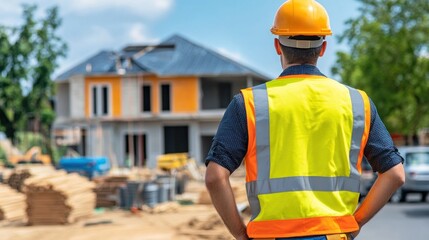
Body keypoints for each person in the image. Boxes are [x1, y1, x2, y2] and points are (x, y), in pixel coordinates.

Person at [204, 0, 405, 239]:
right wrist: (356, 222)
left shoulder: (249, 104)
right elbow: (394, 174)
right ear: (323, 48)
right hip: (334, 234)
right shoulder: (357, 103)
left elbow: (215, 177)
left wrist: (240, 233)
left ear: (278, 45)